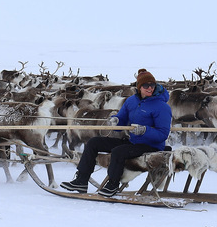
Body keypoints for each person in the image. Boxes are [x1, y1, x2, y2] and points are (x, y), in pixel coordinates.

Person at [60, 68, 172, 196]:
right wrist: (115, 121)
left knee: (118, 151)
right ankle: (81, 180)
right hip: (133, 142)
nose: (150, 88)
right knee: (93, 143)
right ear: (139, 87)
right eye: (146, 85)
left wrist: (145, 131)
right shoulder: (131, 101)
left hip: (151, 146)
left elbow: (163, 134)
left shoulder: (162, 107)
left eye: (152, 85)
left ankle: (113, 185)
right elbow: (121, 120)